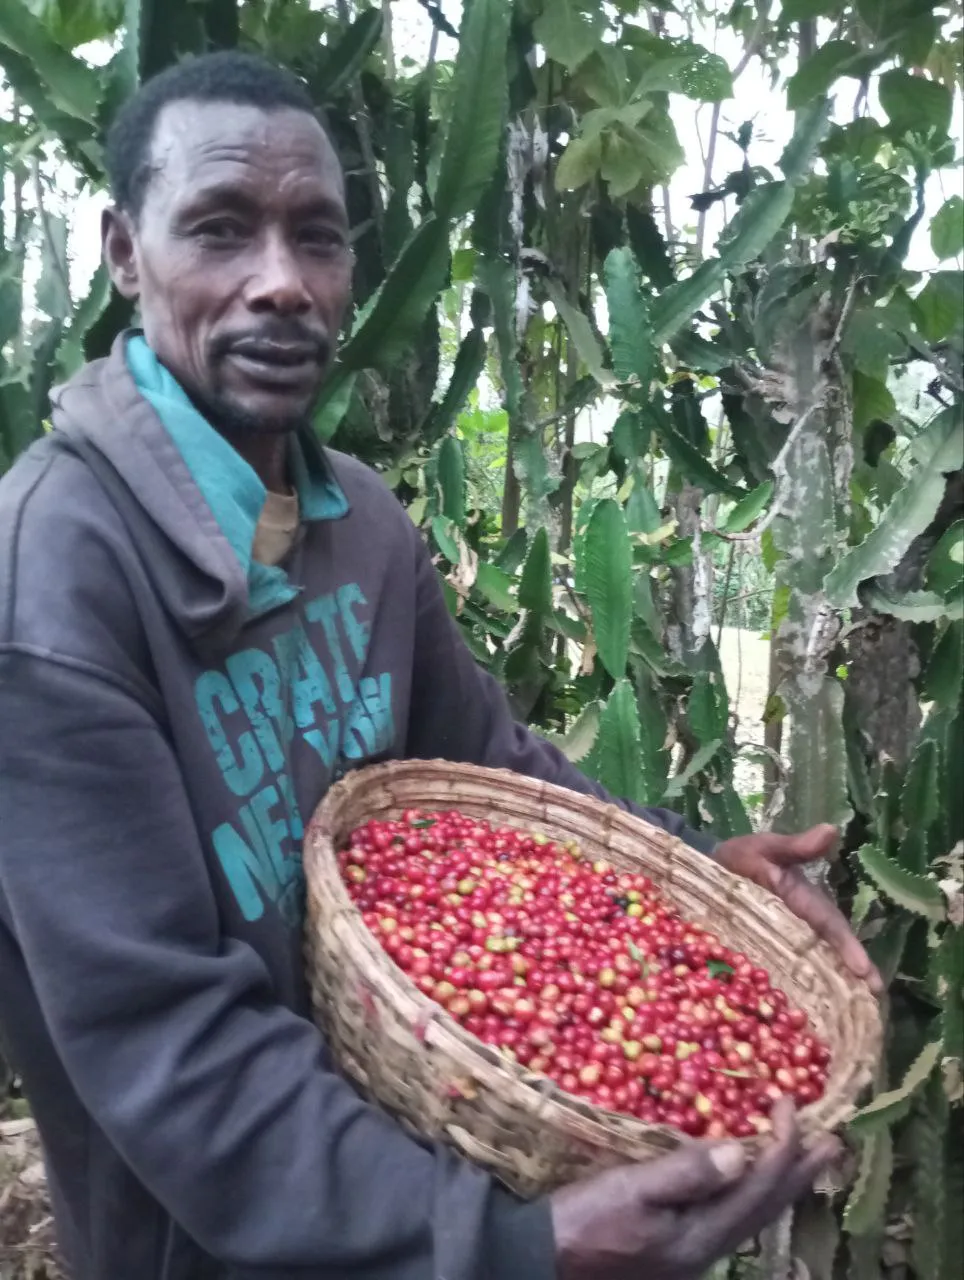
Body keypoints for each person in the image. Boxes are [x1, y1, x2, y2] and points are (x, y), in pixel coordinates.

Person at [0, 50, 879, 1280]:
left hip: (436, 1144)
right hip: (208, 1242)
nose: (283, 284)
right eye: (218, 230)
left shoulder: (357, 519)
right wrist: (510, 1243)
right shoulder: (52, 573)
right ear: (122, 251)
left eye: (318, 237)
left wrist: (691, 872)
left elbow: (490, 764)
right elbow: (165, 1035)